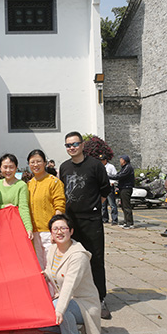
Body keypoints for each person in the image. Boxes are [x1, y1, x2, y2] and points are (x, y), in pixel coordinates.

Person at [58, 132, 112, 319]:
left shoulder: (95, 165)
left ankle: (100, 298)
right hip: (71, 222)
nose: (72, 147)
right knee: (73, 260)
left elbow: (105, 189)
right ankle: (75, 295)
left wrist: (94, 206)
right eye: (68, 145)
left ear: (82, 145)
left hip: (91, 220)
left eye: (75, 144)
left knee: (95, 259)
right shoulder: (64, 167)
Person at [43, 214, 103, 334]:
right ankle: (69, 325)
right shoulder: (52, 249)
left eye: (63, 228)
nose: (59, 232)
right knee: (43, 322)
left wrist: (59, 310)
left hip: (84, 304)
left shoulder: (78, 255)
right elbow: (50, 272)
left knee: (55, 307)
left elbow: (69, 285)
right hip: (66, 299)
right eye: (55, 229)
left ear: (71, 231)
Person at [27, 149, 66, 269]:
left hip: (48, 231)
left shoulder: (54, 182)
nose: (35, 165)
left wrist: (56, 230)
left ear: (45, 163)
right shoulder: (28, 184)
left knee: (52, 266)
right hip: (33, 232)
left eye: (38, 161)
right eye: (32, 162)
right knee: (38, 267)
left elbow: (59, 206)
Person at [0, 153, 33, 238]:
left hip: (15, 225)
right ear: (0, 168)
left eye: (11, 167)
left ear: (16, 168)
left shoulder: (21, 185)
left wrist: (28, 228)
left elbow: (24, 208)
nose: (8, 170)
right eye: (5, 167)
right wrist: (4, 207)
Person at [108, 155, 135, 229]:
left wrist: (108, 176)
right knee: (123, 205)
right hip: (122, 188)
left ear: (124, 160)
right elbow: (118, 174)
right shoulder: (124, 167)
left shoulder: (128, 167)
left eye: (121, 159)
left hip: (126, 188)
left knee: (126, 206)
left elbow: (120, 176)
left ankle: (129, 222)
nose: (120, 161)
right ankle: (126, 220)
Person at [99, 156, 118, 225]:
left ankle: (114, 219)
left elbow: (115, 176)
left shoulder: (111, 167)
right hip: (102, 187)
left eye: (102, 160)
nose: (101, 161)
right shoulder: (99, 167)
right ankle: (104, 219)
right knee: (103, 205)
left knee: (112, 204)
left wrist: (112, 182)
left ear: (105, 160)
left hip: (109, 187)